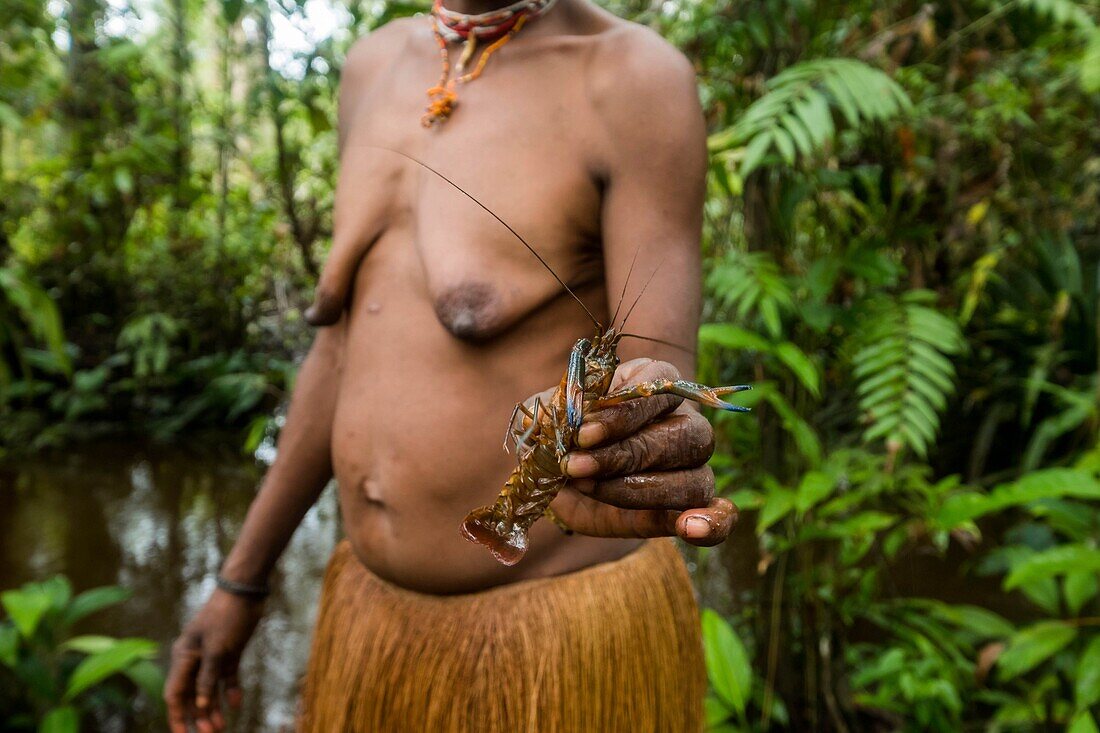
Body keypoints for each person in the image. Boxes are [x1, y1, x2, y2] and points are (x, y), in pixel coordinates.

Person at [165, 0, 741, 728]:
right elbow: (341, 347)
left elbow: (657, 367)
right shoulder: (370, 66)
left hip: (557, 636)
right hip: (368, 617)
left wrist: (653, 431)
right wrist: (240, 579)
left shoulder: (630, 77)